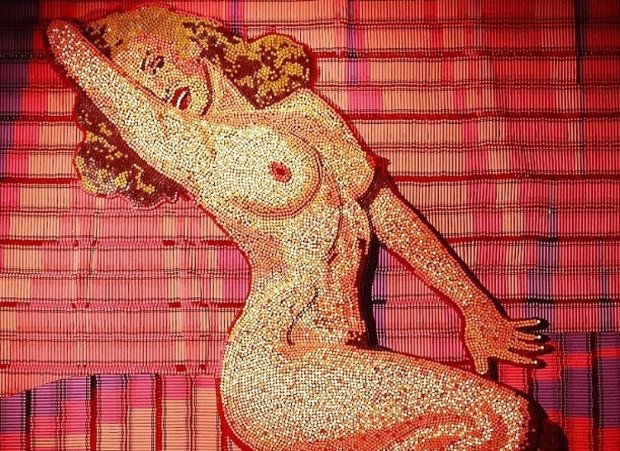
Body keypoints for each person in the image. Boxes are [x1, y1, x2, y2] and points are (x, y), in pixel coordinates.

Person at [48, 6, 548, 449]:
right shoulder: (203, 154)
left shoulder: (302, 111)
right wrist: (67, 38)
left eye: (156, 63)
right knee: (501, 420)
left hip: (343, 354)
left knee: (472, 432)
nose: (159, 90)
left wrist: (474, 308)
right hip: (276, 366)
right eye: (142, 87)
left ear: (191, 43)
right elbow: (119, 98)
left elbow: (383, 211)